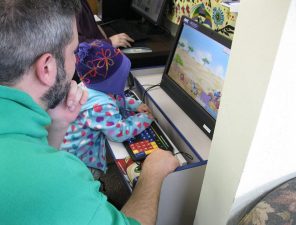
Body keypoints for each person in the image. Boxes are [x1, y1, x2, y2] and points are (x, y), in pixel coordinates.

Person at [0, 1, 179, 225]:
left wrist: (57, 127)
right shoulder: (57, 177)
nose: (78, 61)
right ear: (47, 68)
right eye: (74, 52)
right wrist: (153, 172)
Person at [61, 39, 154, 178]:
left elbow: (112, 98)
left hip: (65, 153)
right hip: (81, 166)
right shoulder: (101, 106)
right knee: (90, 183)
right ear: (113, 82)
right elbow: (119, 133)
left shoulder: (88, 86)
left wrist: (134, 105)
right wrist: (144, 119)